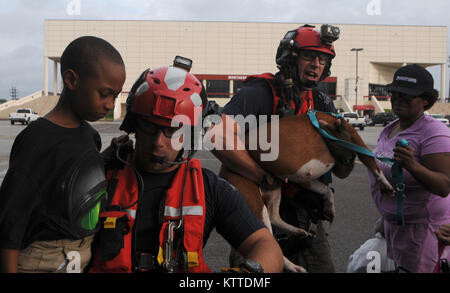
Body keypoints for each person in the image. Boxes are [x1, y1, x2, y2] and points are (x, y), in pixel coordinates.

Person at [88, 65, 284, 273]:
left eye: (172, 130)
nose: (159, 142)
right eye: (150, 127)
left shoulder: (208, 188)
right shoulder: (98, 176)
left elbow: (266, 247)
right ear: (134, 124)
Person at [209, 24, 341, 272]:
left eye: (323, 59)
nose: (316, 64)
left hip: (305, 216)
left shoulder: (322, 103)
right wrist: (261, 176)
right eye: (308, 56)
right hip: (255, 216)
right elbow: (216, 133)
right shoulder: (259, 93)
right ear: (289, 58)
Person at [0, 36, 126, 273]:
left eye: (116, 96)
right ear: (71, 80)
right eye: (105, 93)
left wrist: (111, 153)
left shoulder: (89, 136)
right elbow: (11, 218)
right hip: (42, 260)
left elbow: (75, 174)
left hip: (81, 256)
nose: (110, 104)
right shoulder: (38, 139)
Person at [370, 64, 450, 273]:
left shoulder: (434, 132)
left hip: (425, 233)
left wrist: (412, 165)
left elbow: (444, 186)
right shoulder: (391, 127)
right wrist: (386, 219)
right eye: (395, 93)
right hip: (397, 229)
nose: (398, 99)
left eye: (407, 95)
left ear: (426, 100)